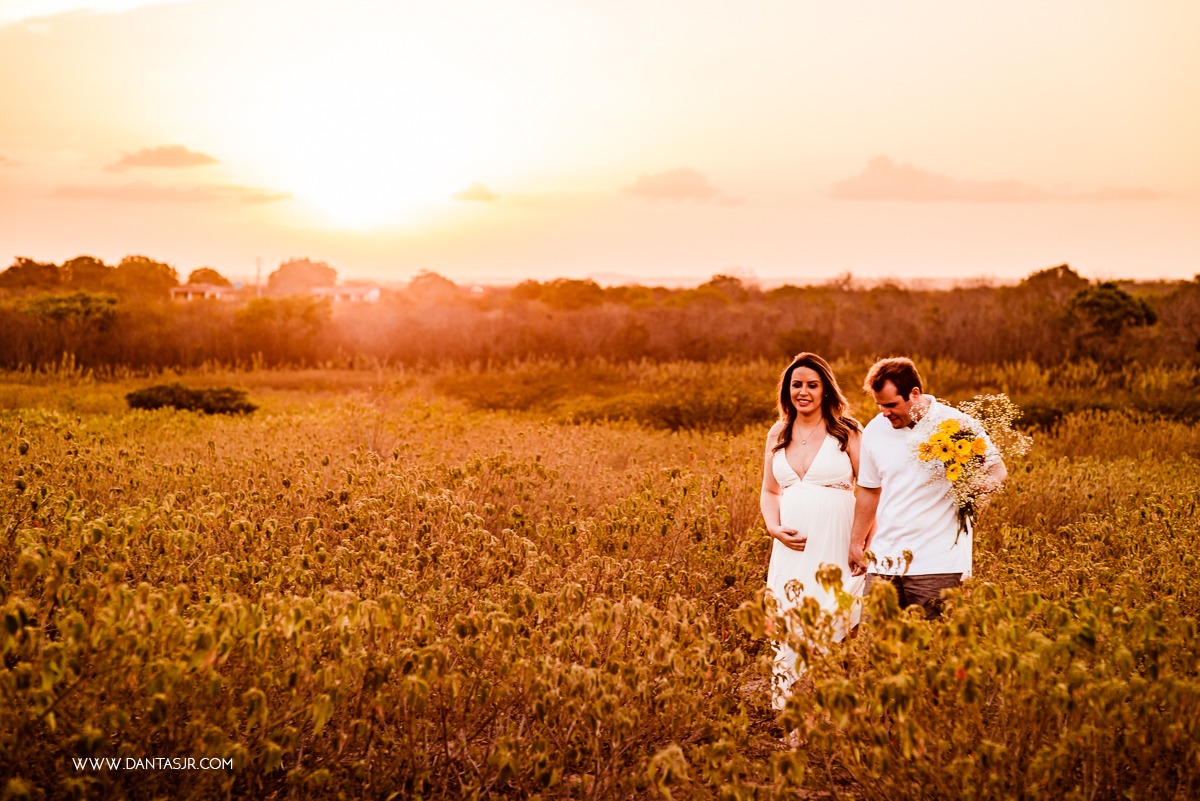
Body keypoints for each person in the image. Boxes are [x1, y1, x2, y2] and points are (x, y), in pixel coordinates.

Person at [848, 357, 1008, 620]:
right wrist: (856, 542)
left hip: (937, 564)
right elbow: (868, 489)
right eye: (879, 405)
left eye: (891, 405)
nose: (885, 413)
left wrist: (975, 487)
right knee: (873, 650)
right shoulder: (876, 429)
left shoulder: (957, 424)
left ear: (914, 394)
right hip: (884, 562)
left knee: (933, 650)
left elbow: (997, 470)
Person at [760, 352, 865, 709]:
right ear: (787, 390)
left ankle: (840, 705)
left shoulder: (846, 430)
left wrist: (864, 541)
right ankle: (792, 714)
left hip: (838, 540)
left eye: (812, 385)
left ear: (825, 390)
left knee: (837, 615)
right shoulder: (778, 432)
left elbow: (870, 489)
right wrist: (773, 528)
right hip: (790, 547)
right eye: (796, 385)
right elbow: (770, 490)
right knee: (789, 618)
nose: (803, 392)